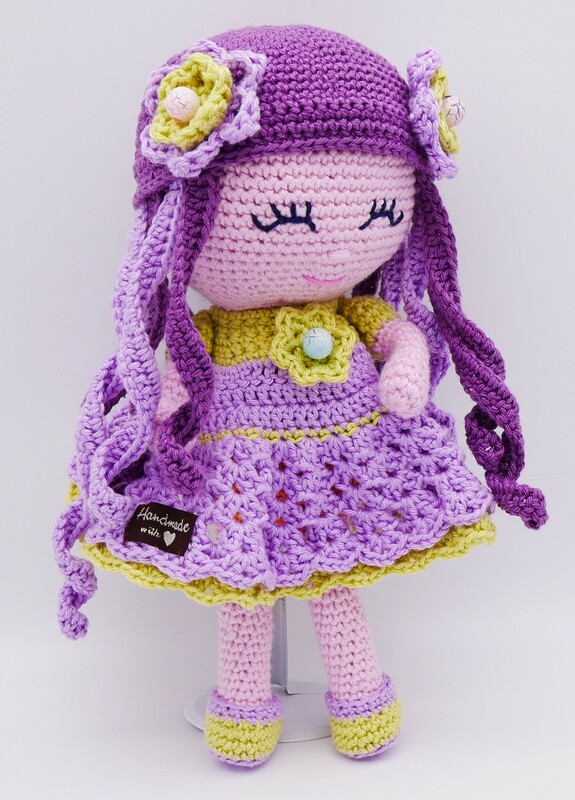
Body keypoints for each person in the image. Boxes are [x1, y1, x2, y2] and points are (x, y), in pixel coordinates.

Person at [53, 25, 547, 767]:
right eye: (284, 218)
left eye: (381, 217)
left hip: (344, 470)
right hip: (230, 480)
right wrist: (153, 418)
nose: (342, 251)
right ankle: (242, 707)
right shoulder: (208, 334)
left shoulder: (357, 313)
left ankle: (360, 697)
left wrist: (407, 365)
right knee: (238, 587)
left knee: (335, 577)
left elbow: (400, 337)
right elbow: (174, 382)